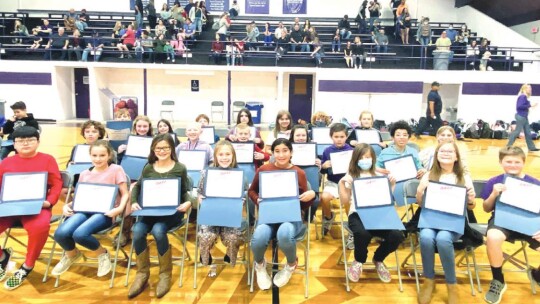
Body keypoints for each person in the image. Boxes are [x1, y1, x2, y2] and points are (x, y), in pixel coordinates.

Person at [51, 140, 129, 277]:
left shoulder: (116, 170)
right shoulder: (84, 174)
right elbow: (80, 197)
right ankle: (72, 254)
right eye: (94, 155)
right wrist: (67, 206)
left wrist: (119, 209)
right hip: (84, 210)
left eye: (102, 155)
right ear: (90, 155)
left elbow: (125, 193)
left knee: (80, 234)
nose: (98, 159)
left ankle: (103, 254)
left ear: (109, 155)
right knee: (60, 234)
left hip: (105, 212)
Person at [128, 134, 191, 299]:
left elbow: (186, 191)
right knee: (138, 230)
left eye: (166, 148)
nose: (162, 151)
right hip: (149, 211)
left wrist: (188, 203)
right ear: (153, 150)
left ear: (171, 149)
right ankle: (142, 273)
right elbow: (137, 187)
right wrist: (134, 201)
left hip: (171, 213)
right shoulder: (148, 167)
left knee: (158, 231)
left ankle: (165, 274)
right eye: (158, 148)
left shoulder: (180, 168)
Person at [0, 126, 62, 290]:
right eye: (21, 141)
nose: (25, 143)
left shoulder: (47, 159)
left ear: (38, 142)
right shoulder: (6, 162)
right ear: (14, 144)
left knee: (39, 227)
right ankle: (2, 256)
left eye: (30, 140)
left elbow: (56, 184)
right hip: (10, 206)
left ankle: (27, 266)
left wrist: (49, 201)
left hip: (37, 206)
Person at [250, 138, 315, 290]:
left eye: (285, 151)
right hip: (268, 215)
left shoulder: (299, 173)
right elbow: (252, 191)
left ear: (291, 152)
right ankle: (259, 265)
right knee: (259, 236)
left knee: (284, 233)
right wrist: (257, 199)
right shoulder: (263, 170)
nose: (281, 155)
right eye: (277, 151)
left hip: (291, 217)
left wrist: (311, 195)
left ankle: (291, 264)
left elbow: (303, 204)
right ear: (272, 153)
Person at [416, 141, 475, 304]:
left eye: (450, 151)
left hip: (452, 222)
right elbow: (420, 203)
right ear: (436, 155)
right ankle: (428, 281)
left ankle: (452, 284)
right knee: (426, 237)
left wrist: (470, 200)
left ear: (456, 157)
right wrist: (420, 191)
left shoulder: (463, 177)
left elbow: (471, 206)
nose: (446, 153)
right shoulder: (429, 175)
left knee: (443, 239)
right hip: (431, 219)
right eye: (442, 151)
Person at [481, 146, 540, 303]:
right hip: (503, 221)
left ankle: (537, 275)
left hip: (529, 222)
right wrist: (494, 194)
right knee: (492, 237)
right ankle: (498, 280)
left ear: (523, 162)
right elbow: (486, 209)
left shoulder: (535, 183)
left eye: (516, 162)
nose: (512, 165)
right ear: (501, 162)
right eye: (508, 161)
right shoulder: (494, 181)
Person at [338, 144, 404, 283]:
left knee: (397, 235)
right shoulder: (351, 176)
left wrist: (392, 185)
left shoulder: (380, 175)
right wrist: (341, 183)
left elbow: (387, 199)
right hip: (358, 214)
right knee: (363, 234)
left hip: (379, 213)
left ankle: (378, 259)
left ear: (373, 158)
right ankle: (358, 261)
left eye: (367, 157)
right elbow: (344, 200)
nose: (365, 160)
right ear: (355, 159)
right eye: (361, 157)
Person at [196, 140, 247, 277]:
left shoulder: (239, 173)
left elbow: (245, 192)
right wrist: (200, 199)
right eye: (221, 154)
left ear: (233, 156)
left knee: (232, 237)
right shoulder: (206, 173)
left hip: (229, 214)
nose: (224, 157)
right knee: (206, 236)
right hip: (211, 214)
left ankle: (230, 256)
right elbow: (199, 191)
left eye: (228, 154)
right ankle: (205, 257)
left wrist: (242, 199)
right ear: (215, 156)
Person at [320, 123, 354, 236]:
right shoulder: (327, 151)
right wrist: (324, 166)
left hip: (347, 183)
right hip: (333, 182)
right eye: (336, 137)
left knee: (347, 200)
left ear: (346, 137)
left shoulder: (352, 150)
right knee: (324, 197)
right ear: (331, 136)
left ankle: (352, 224)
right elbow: (323, 171)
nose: (339, 139)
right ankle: (329, 217)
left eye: (342, 137)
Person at [506, 84, 539, 151]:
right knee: (517, 132)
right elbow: (519, 106)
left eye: (530, 88)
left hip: (524, 117)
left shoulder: (524, 97)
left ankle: (531, 147)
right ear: (524, 89)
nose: (530, 89)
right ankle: (508, 146)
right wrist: (530, 105)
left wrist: (530, 106)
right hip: (521, 116)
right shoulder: (522, 96)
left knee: (528, 132)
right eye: (528, 88)